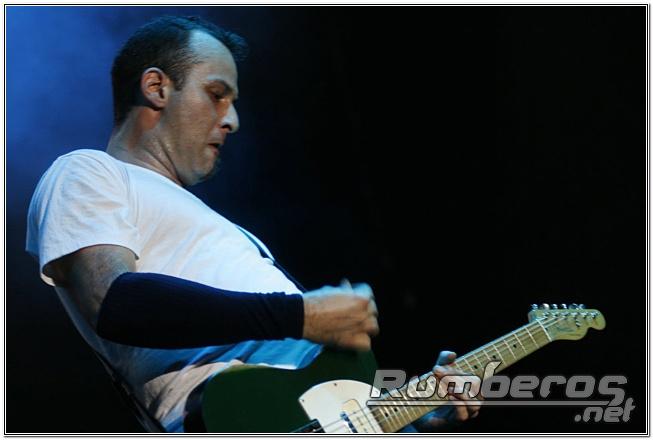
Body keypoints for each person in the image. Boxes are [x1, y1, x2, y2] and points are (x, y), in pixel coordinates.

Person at [26, 15, 481, 433]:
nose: (233, 120)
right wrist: (299, 316)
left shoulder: (217, 226)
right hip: (232, 413)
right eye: (216, 94)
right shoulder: (87, 171)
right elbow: (114, 302)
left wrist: (417, 414)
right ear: (157, 87)